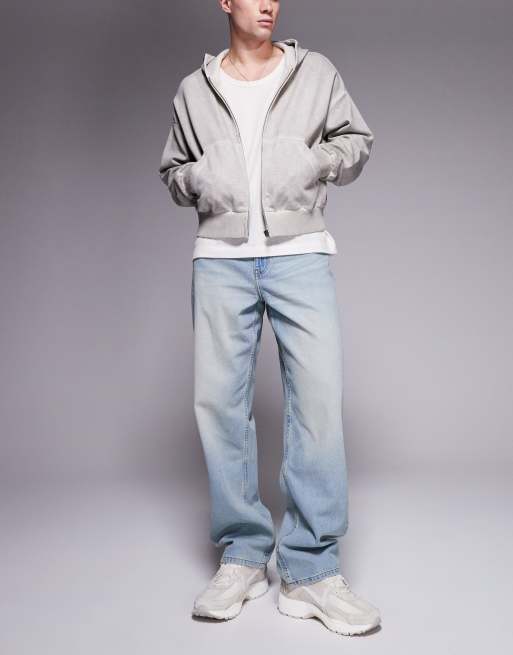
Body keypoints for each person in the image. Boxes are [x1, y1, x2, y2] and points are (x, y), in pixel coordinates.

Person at [159, 0, 380, 637]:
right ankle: (243, 555)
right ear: (225, 1)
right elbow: (173, 171)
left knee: (317, 402)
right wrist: (204, 179)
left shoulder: (315, 72)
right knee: (219, 405)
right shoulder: (195, 89)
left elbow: (356, 142)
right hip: (220, 261)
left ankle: (311, 571)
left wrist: (314, 163)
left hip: (300, 252)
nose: (269, 4)